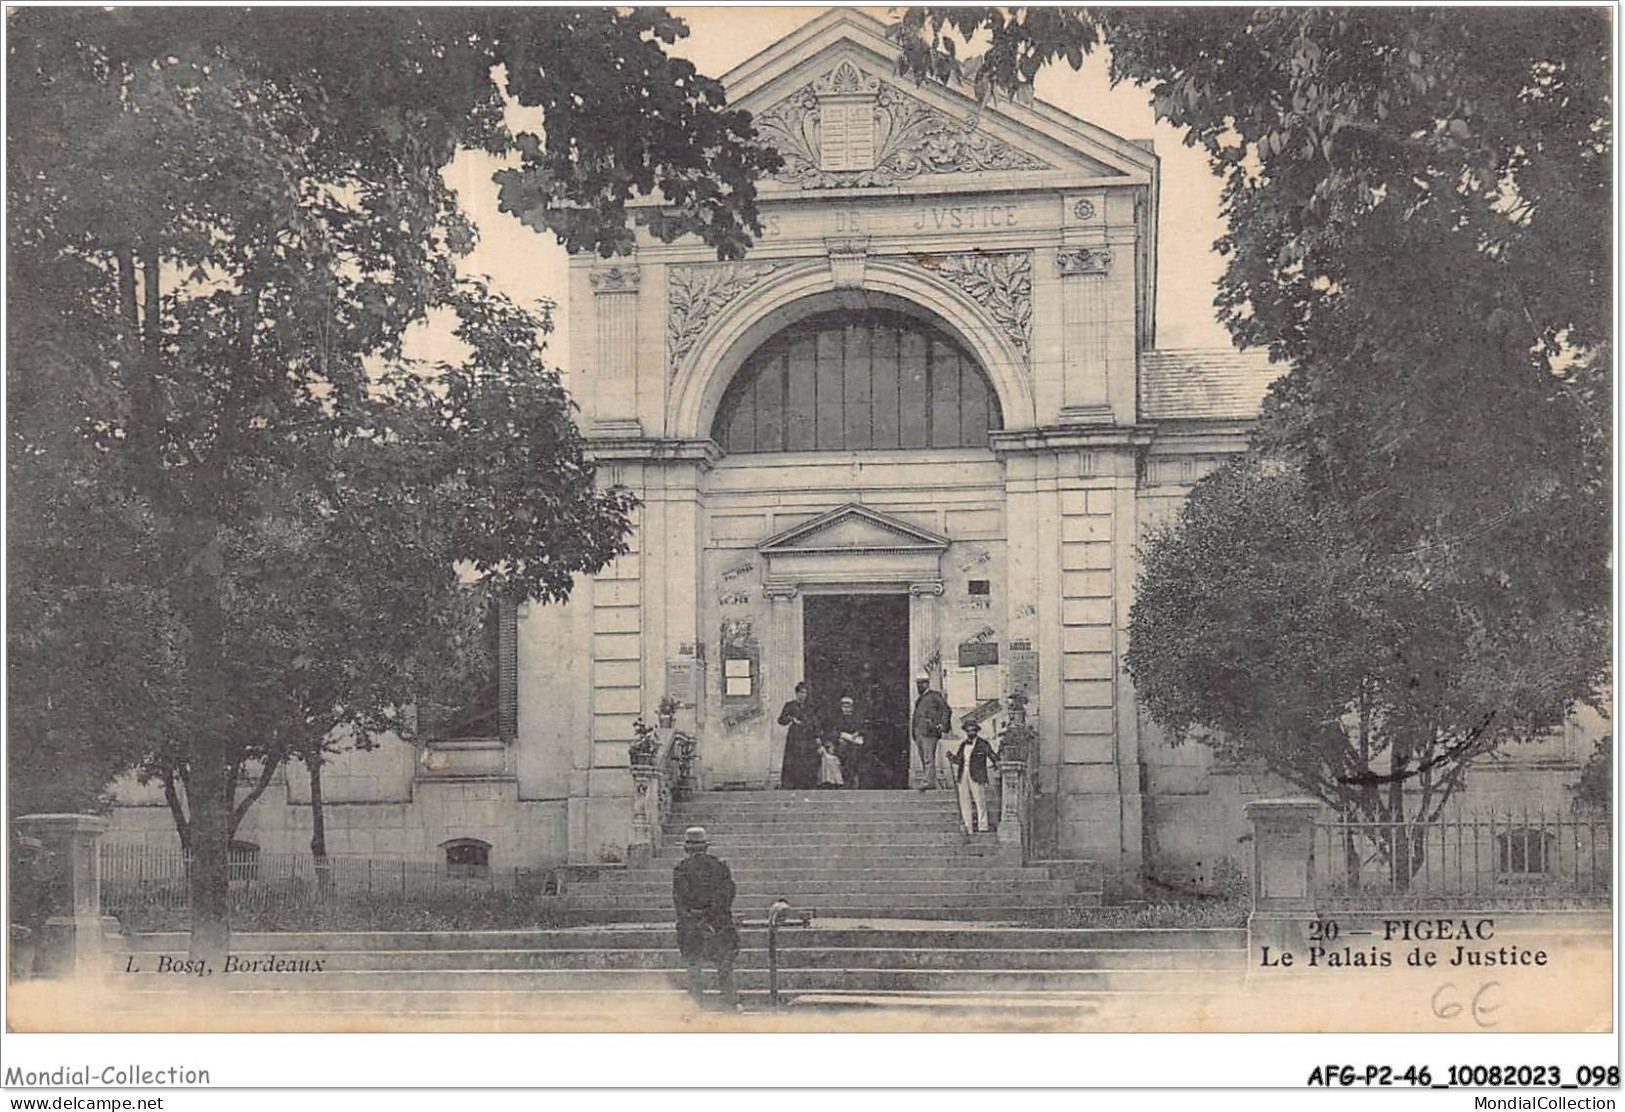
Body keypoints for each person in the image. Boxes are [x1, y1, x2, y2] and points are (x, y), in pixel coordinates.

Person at [672, 826, 740, 1009]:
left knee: (694, 968)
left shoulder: (681, 869)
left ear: (686, 849)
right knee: (724, 968)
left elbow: (681, 900)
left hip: (692, 926)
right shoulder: (720, 866)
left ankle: (696, 1007)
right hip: (719, 924)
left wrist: (698, 918)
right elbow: (727, 895)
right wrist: (711, 915)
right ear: (706, 847)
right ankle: (730, 1005)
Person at [948, 720, 999, 834]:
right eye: (968, 730)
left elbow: (992, 756)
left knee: (979, 800)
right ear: (966, 731)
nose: (971, 732)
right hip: (963, 774)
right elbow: (958, 760)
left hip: (977, 774)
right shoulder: (963, 744)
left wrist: (997, 763)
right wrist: (951, 757)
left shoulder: (983, 744)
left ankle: (983, 826)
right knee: (964, 801)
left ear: (976, 731)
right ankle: (968, 826)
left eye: (973, 730)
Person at [909, 671, 952, 790]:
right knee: (924, 758)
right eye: (918, 683)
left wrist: (942, 724)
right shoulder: (920, 699)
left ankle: (928, 782)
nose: (919, 686)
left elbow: (946, 710)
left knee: (928, 758)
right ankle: (933, 782)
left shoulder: (935, 695)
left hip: (930, 731)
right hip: (919, 732)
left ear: (927, 683)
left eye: (922, 683)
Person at [776, 681, 820, 790]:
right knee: (793, 760)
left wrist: (817, 736)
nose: (803, 695)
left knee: (807, 760)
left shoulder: (810, 707)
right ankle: (791, 784)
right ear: (796, 693)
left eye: (805, 693)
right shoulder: (790, 705)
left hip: (807, 736)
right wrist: (790, 718)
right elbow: (781, 720)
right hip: (795, 736)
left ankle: (806, 784)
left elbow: (815, 722)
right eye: (801, 692)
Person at [833, 695, 866, 789]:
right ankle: (844, 781)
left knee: (854, 755)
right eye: (844, 707)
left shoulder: (856, 718)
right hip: (841, 744)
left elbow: (863, 729)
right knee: (843, 754)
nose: (846, 709)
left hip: (855, 744)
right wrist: (838, 737)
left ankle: (853, 780)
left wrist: (857, 732)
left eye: (848, 707)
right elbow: (833, 731)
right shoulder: (837, 719)